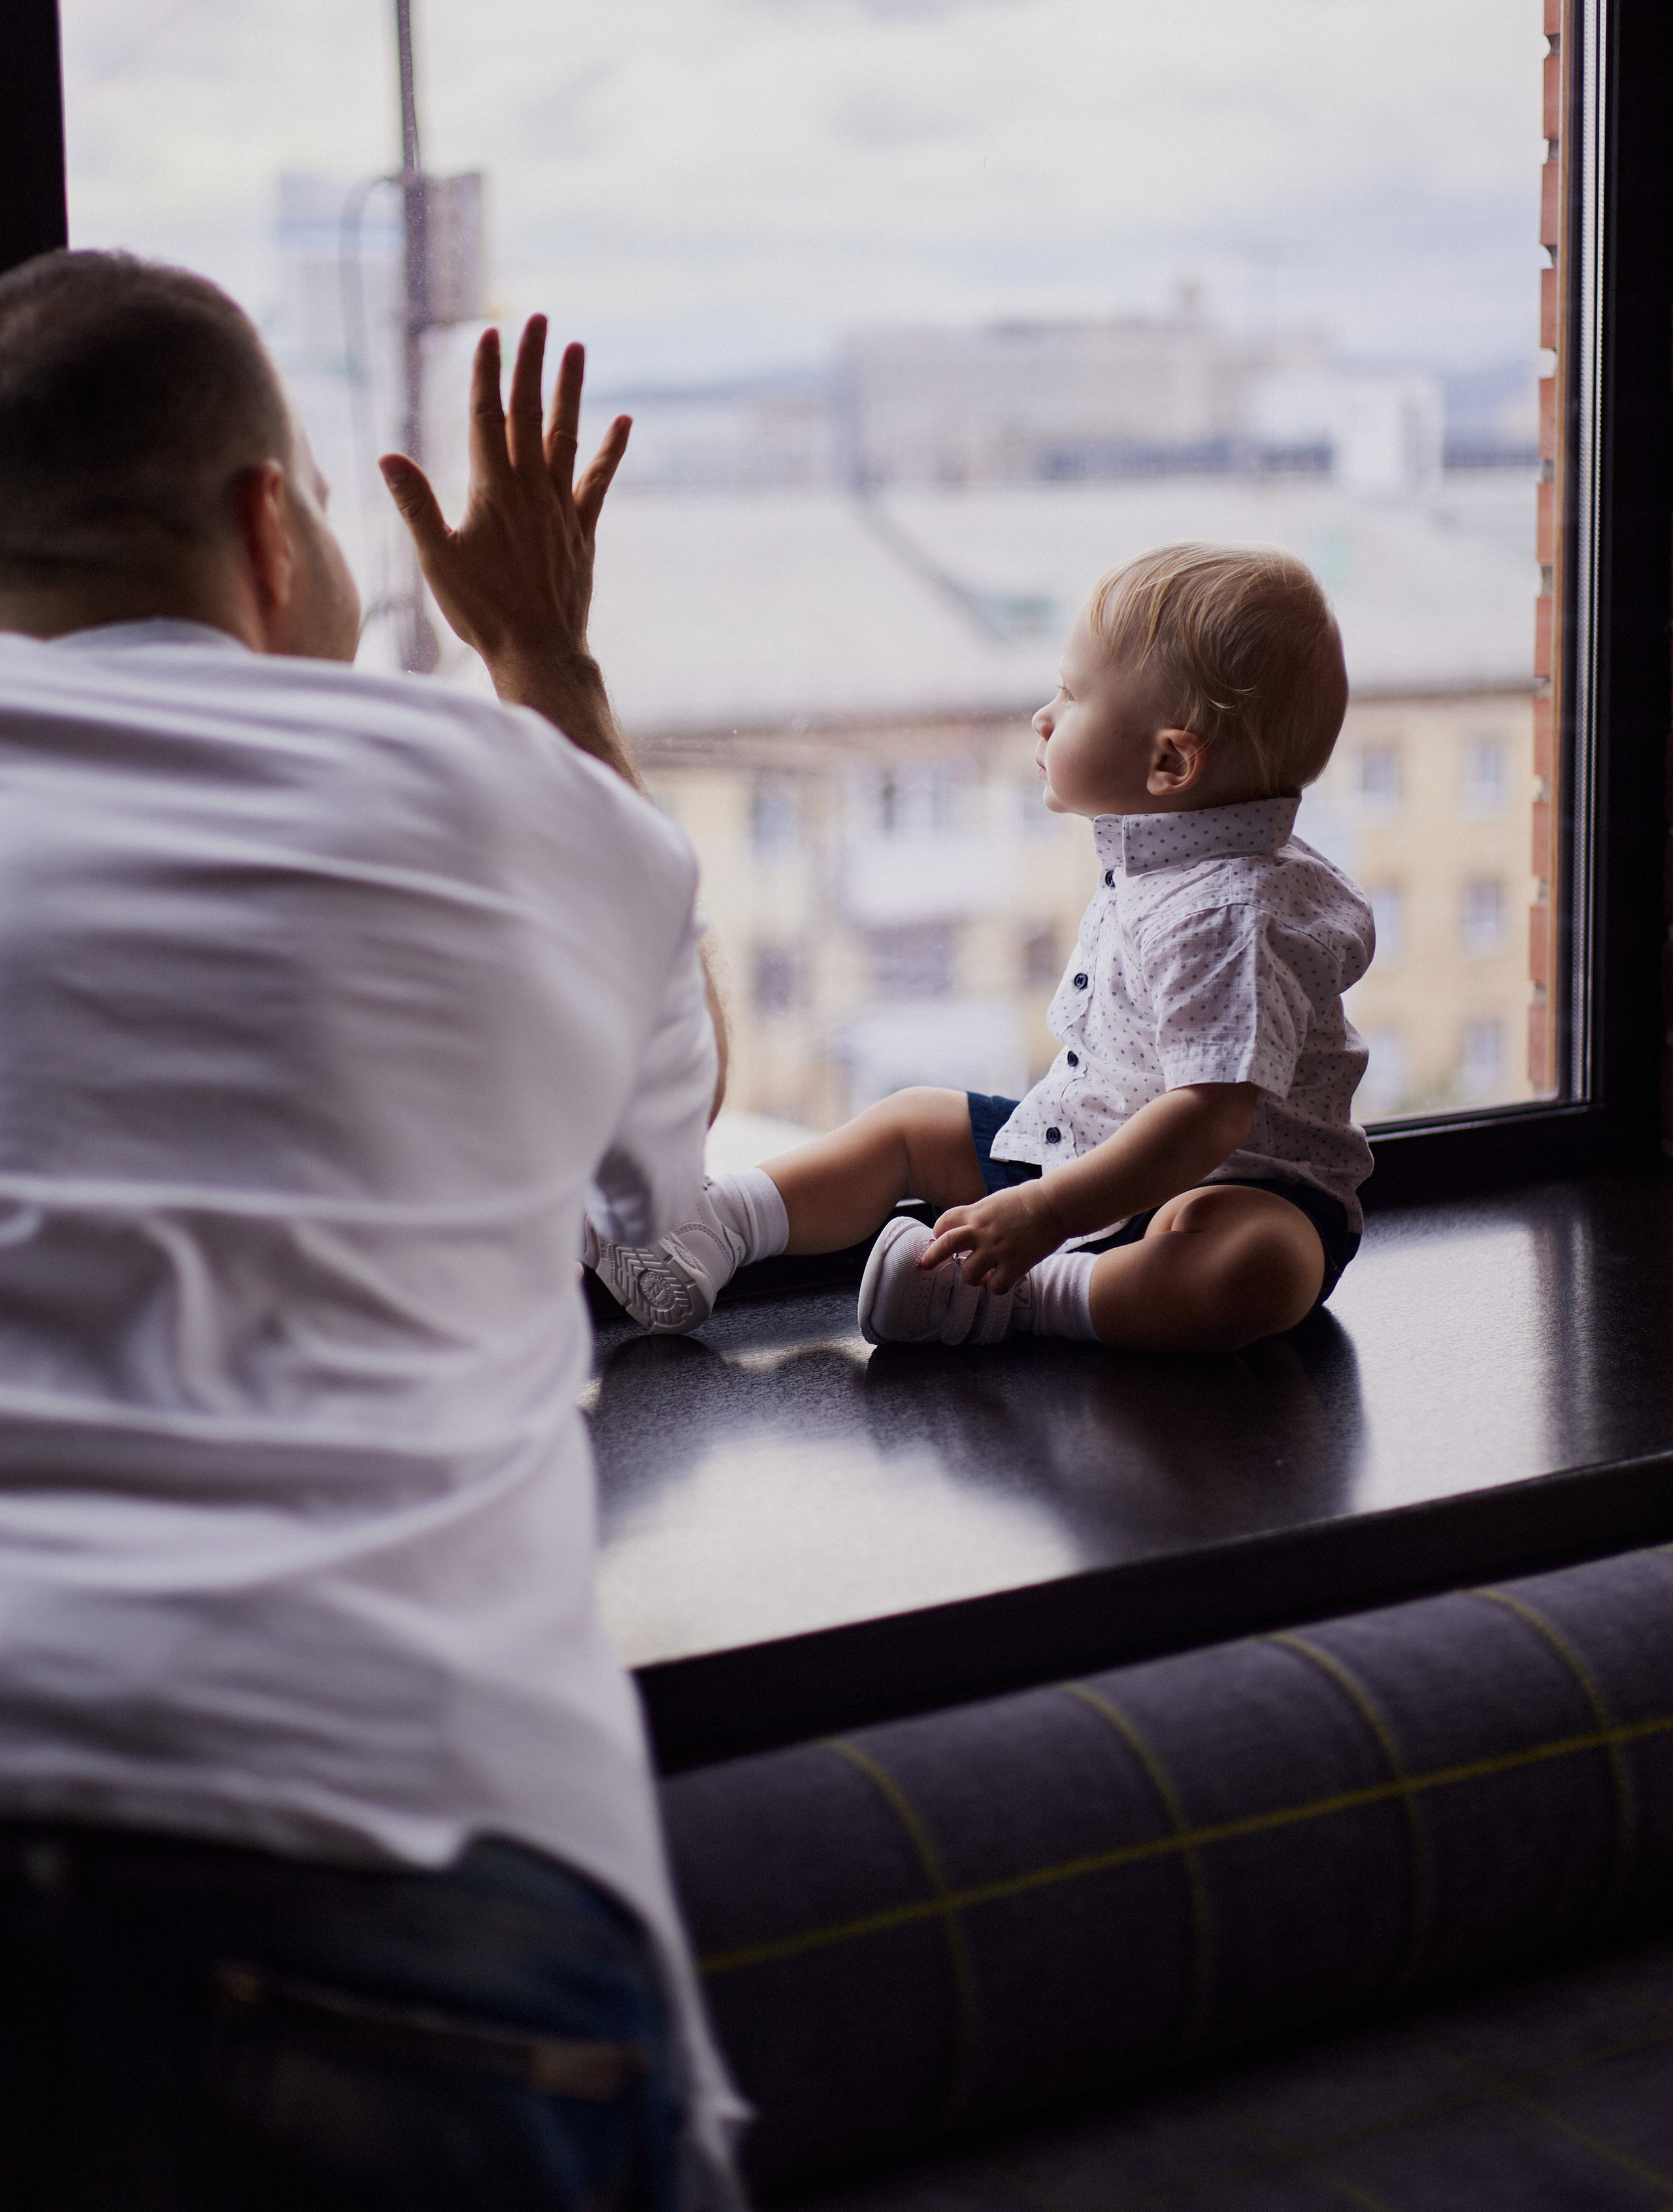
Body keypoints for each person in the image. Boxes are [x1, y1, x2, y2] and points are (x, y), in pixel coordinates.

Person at [0, 249, 744, 2209]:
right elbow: (658, 1200)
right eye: (321, 491)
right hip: (385, 1854)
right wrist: (547, 665)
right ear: (269, 525)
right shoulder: (490, 782)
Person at [589, 544, 1374, 1355]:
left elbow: (1209, 1119)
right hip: (1085, 1155)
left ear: (1169, 762)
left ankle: (1026, 1297)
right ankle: (711, 1230)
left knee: (1253, 1261)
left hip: (1233, 1186)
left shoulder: (1228, 913)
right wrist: (1053, 1195)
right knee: (910, 1124)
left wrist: (1048, 1214)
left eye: (1071, 696)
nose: (1043, 716)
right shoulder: (1168, 860)